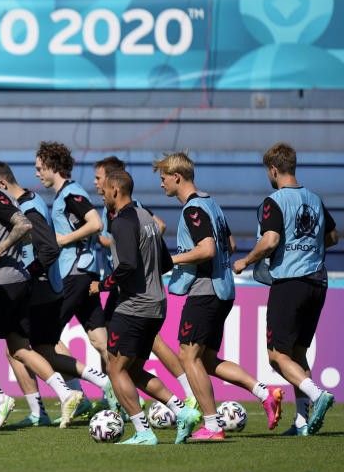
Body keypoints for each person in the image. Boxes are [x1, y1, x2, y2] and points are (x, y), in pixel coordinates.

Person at [154, 152, 284, 442]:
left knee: (188, 356)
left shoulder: (193, 209)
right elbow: (232, 243)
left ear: (177, 177)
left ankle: (212, 426)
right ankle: (265, 393)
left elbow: (208, 249)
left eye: (163, 178)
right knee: (208, 360)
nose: (161, 184)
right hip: (223, 290)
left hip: (206, 290)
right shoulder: (212, 204)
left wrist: (171, 260)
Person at [0, 160, 84, 430]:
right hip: (21, 282)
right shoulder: (5, 197)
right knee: (18, 349)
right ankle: (66, 393)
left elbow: (23, 226)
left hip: (3, 285)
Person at [0, 162, 109, 427]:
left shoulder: (28, 207)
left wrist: (28, 273)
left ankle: (49, 406)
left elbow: (49, 249)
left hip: (40, 288)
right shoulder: (32, 201)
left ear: (2, 186)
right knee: (41, 348)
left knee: (18, 348)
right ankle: (96, 385)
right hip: (46, 286)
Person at [233, 142, 339, 435]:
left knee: (277, 356)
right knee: (298, 353)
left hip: (290, 282)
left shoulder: (274, 201)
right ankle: (303, 422)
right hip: (318, 281)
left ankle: (318, 396)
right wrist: (308, 247)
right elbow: (332, 236)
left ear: (274, 170)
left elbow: (269, 240)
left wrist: (245, 260)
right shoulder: (315, 199)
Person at [91, 170, 183, 446]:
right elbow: (166, 263)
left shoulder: (122, 221)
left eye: (105, 189)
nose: (103, 194)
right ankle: (183, 410)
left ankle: (143, 431)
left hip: (134, 305)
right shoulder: (147, 218)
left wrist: (103, 284)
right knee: (132, 371)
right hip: (158, 304)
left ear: (116, 190)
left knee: (114, 368)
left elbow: (128, 265)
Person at [35, 143, 111, 407]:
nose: (37, 174)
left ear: (52, 166)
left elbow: (95, 222)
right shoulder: (64, 196)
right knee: (100, 340)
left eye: (39, 168)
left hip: (74, 273)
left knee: (44, 339)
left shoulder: (71, 193)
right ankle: (117, 397)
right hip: (85, 272)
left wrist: (64, 238)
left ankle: (82, 395)